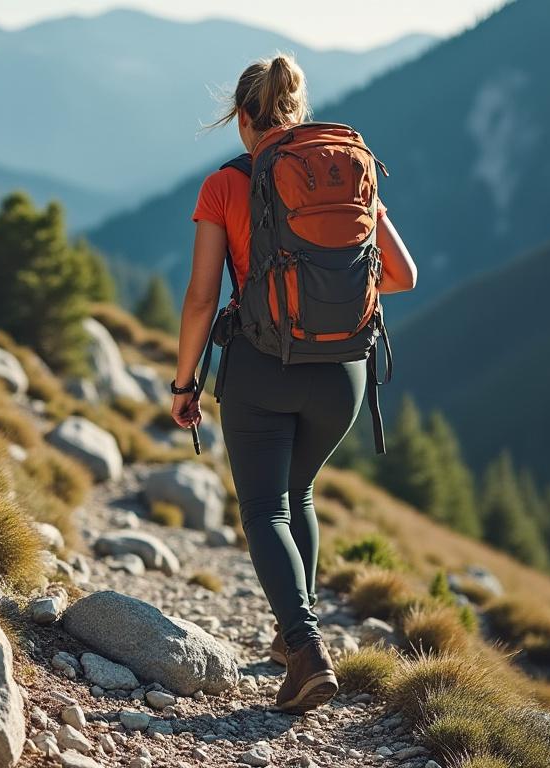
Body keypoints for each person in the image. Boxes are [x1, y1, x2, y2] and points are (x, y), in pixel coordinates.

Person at [170, 54, 418, 713]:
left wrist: (184, 383)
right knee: (297, 491)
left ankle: (306, 651)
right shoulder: (343, 172)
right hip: (344, 375)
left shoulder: (225, 184)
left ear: (243, 117)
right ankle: (289, 637)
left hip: (262, 369)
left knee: (264, 510)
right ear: (297, 108)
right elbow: (402, 275)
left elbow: (201, 299)